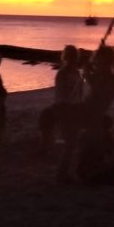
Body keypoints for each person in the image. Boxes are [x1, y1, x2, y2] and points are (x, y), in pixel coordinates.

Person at [38, 44, 84, 181]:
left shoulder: (75, 73)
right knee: (70, 141)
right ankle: (62, 173)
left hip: (73, 108)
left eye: (74, 57)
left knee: (72, 142)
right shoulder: (64, 73)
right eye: (72, 57)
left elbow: (78, 93)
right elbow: (64, 94)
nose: (73, 59)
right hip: (66, 108)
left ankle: (64, 171)